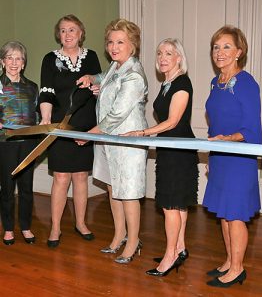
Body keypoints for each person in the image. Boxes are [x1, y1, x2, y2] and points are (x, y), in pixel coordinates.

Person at [123, 38, 199, 276]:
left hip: (178, 151)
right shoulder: (168, 83)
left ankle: (170, 256)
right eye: (159, 53)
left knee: (170, 206)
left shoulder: (182, 83)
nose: (162, 58)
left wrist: (142, 132)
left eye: (169, 53)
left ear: (179, 58)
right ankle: (180, 248)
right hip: (170, 149)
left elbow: (173, 122)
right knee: (177, 205)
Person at [77, 18, 148, 264]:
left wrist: (92, 133)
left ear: (133, 45)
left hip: (127, 141)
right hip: (108, 141)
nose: (114, 47)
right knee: (112, 188)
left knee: (128, 193)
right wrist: (92, 78)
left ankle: (133, 241)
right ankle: (119, 236)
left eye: (120, 42)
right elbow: (103, 76)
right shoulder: (116, 67)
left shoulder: (134, 74)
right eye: (110, 42)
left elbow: (118, 113)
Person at [203, 25, 262, 287]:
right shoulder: (216, 83)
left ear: (239, 52)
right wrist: (215, 151)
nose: (220, 52)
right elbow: (215, 122)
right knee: (224, 213)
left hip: (239, 157)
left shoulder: (247, 83)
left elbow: (251, 127)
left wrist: (228, 140)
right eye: (216, 47)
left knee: (235, 214)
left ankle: (238, 268)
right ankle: (229, 260)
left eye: (226, 46)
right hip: (221, 155)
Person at [38, 14, 101, 248]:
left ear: (81, 33)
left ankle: (81, 223)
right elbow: (46, 92)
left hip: (86, 126)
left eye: (72, 30)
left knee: (81, 177)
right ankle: (55, 227)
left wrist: (98, 88)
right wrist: (46, 120)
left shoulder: (92, 57)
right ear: (59, 34)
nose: (68, 34)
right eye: (63, 30)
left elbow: (100, 84)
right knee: (61, 178)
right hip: (60, 126)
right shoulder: (49, 59)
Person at [0, 41, 38, 245]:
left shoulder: (32, 87)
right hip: (5, 144)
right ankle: (8, 228)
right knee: (7, 187)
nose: (14, 62)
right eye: (9, 57)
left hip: (29, 143)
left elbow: (38, 116)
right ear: (2, 62)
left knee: (26, 187)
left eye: (18, 58)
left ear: (23, 63)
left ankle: (25, 226)